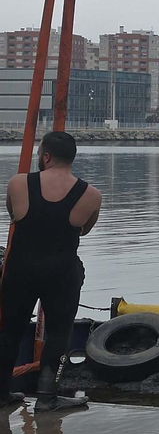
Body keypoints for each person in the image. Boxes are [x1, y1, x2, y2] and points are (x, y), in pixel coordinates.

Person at [0, 131, 101, 410]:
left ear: (45, 157)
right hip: (61, 271)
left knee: (9, 330)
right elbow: (84, 229)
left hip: (20, 269)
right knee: (59, 332)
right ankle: (47, 398)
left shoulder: (19, 184)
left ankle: (1, 394)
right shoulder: (91, 194)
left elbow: (14, 215)